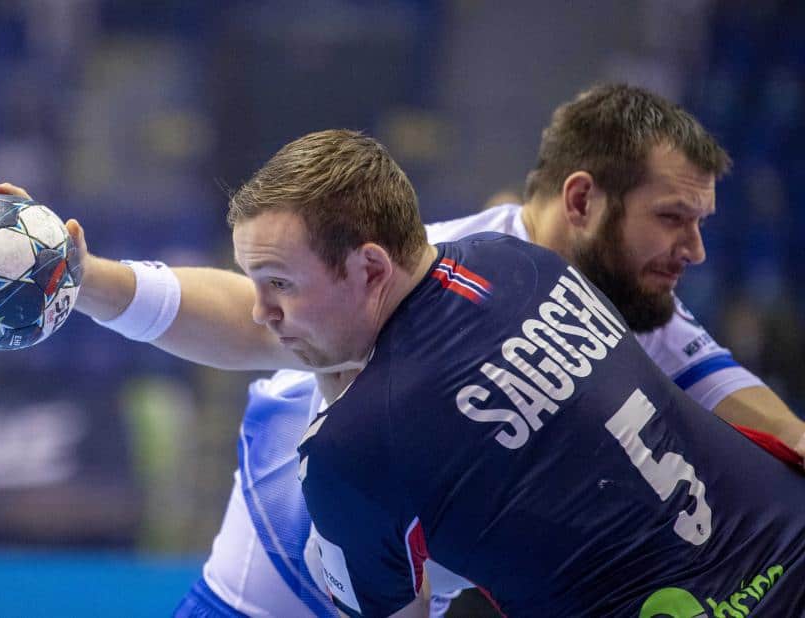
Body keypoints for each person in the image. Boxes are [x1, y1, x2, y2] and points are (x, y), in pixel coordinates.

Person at [0, 85, 805, 616]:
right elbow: (258, 320)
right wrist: (91, 279)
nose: (692, 251)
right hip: (288, 554)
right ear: (581, 202)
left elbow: (735, 395)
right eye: (671, 218)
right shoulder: (469, 261)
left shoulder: (564, 279)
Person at [230, 128, 805, 617]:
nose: (262, 312)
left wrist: (334, 408)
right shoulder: (516, 259)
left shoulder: (348, 449)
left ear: (371, 268)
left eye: (279, 283)